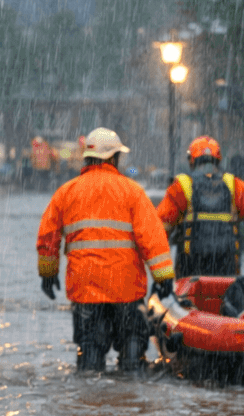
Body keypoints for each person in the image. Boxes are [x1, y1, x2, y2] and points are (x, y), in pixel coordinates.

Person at [36, 127, 175, 373]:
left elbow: (48, 236)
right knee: (133, 354)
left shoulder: (67, 192)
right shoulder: (132, 191)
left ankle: (91, 403)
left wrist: (48, 273)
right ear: (114, 157)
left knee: (90, 355)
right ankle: (128, 398)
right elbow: (152, 236)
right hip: (127, 289)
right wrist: (163, 277)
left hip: (86, 290)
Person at [157, 136, 244, 277]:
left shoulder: (181, 187)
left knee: (191, 298)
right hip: (227, 264)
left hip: (191, 266)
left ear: (192, 160)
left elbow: (160, 227)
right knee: (227, 297)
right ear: (218, 160)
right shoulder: (236, 186)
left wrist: (160, 270)